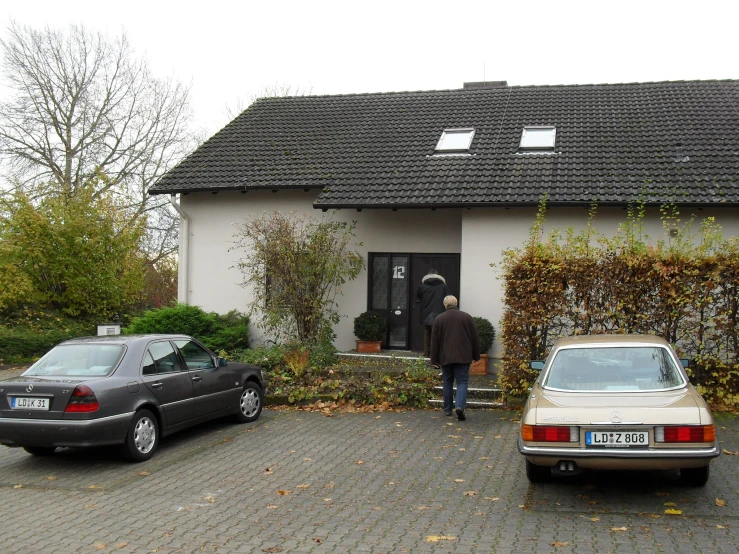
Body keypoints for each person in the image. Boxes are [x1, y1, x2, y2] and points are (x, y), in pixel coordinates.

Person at [430, 295, 480, 421]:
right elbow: (474, 337)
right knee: (462, 382)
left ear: (445, 304)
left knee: (447, 381)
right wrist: (476, 355)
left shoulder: (439, 319)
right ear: (456, 303)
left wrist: (434, 360)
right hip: (463, 356)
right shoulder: (466, 317)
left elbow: (434, 342)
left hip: (445, 357)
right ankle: (460, 406)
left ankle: (447, 410)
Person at [416, 269, 448, 357]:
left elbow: (418, 298)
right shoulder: (443, 287)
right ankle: (436, 354)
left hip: (426, 313)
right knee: (437, 335)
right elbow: (448, 299)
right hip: (440, 314)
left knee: (427, 334)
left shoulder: (422, 287)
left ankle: (426, 352)